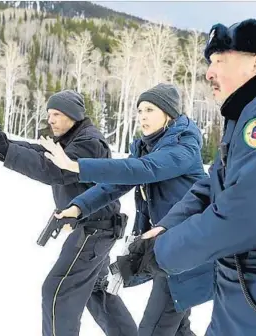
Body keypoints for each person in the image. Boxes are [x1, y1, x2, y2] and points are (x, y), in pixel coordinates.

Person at [135, 19, 256, 336]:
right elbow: (213, 184)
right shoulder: (250, 112)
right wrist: (167, 226)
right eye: (210, 62)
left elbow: (244, 218)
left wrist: (162, 253)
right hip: (249, 300)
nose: (210, 72)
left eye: (220, 60)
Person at [40, 83, 214, 336]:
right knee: (177, 330)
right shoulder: (147, 146)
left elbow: (143, 169)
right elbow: (118, 183)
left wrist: (77, 166)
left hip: (186, 246)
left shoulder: (182, 148)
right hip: (165, 247)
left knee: (154, 329)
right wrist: (78, 207)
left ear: (169, 114)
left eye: (150, 109)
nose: (142, 116)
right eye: (140, 110)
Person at [0, 90, 137, 336]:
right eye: (48, 114)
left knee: (57, 292)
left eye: (56, 114)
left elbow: (54, 170)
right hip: (97, 228)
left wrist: (7, 151)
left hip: (94, 230)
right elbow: (42, 152)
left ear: (73, 115)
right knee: (95, 291)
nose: (50, 120)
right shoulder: (73, 139)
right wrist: (5, 145)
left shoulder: (89, 142)